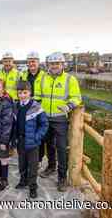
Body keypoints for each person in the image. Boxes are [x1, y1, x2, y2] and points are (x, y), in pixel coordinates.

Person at [35, 52, 82, 192]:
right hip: (45, 118)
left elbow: (76, 97)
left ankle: (62, 177)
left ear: (62, 64)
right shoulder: (42, 78)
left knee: (61, 147)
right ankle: (51, 166)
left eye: (57, 63)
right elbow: (37, 96)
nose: (54, 66)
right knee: (48, 144)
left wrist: (69, 106)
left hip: (60, 119)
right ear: (48, 65)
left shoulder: (70, 79)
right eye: (52, 63)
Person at [14, 81, 48, 198]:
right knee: (22, 163)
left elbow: (44, 125)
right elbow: (15, 124)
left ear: (30, 92)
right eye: (20, 93)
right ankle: (23, 181)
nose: (22, 95)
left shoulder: (36, 107)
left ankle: (33, 186)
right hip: (20, 141)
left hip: (32, 142)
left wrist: (36, 137)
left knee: (33, 166)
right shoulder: (16, 106)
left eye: (25, 93)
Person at [19, 51, 46, 165]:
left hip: (39, 107)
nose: (31, 64)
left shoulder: (45, 75)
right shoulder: (24, 75)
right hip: (26, 106)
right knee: (27, 132)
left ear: (38, 62)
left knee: (39, 136)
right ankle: (27, 158)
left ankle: (38, 160)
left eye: (33, 61)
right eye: (29, 62)